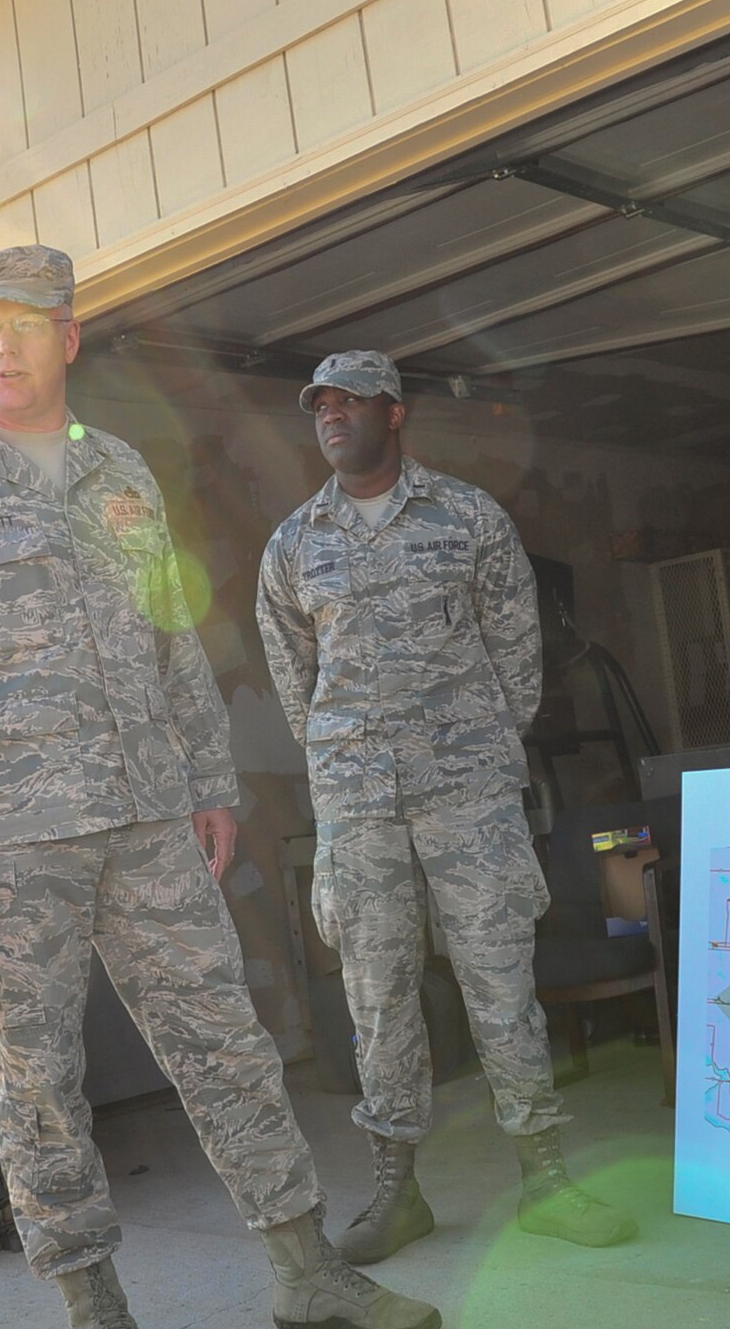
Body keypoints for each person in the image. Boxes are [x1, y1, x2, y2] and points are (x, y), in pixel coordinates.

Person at [0, 246, 440, 1329]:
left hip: (149, 820)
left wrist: (209, 780)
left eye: (25, 324)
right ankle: (96, 1320)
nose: (1, 347)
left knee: (228, 1046)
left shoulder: (119, 472)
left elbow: (170, 636)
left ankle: (306, 1272)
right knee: (39, 1085)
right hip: (5, 845)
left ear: (68, 338)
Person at [254, 350, 638, 1265]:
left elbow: (518, 655)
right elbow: (295, 683)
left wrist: (474, 745)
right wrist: (347, 762)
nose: (334, 417)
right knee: (379, 1000)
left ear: (397, 413)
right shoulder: (293, 545)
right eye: (322, 405)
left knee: (502, 987)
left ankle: (545, 1178)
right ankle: (398, 1193)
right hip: (360, 807)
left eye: (352, 403)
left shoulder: (469, 517)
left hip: (468, 797)